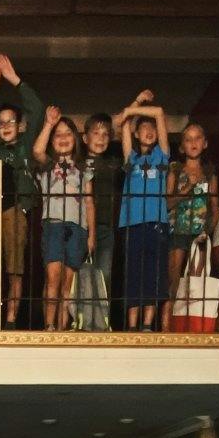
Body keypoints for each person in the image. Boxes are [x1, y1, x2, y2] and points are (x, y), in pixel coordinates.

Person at [0, 53, 44, 329]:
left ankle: (12, 317)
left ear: (20, 125)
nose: (5, 127)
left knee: (15, 265)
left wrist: (14, 80)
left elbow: (37, 110)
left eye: (10, 122)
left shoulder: (25, 144)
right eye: (0, 122)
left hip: (17, 210)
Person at [31, 106, 94, 332]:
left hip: (77, 227)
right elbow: (37, 151)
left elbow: (89, 201)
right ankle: (49, 326)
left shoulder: (83, 168)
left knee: (68, 283)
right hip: (53, 225)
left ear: (76, 139)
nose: (64, 138)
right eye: (58, 135)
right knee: (53, 277)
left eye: (68, 134)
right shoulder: (47, 165)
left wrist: (91, 235)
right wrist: (49, 124)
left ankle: (63, 326)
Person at [118, 91, 171, 331]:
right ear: (136, 134)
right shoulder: (131, 159)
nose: (149, 131)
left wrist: (133, 110)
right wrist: (134, 105)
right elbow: (122, 124)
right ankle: (131, 325)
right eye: (144, 128)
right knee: (134, 276)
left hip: (156, 223)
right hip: (132, 223)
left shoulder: (162, 156)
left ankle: (148, 324)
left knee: (153, 275)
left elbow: (159, 113)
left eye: (152, 128)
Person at [164, 121, 219, 321]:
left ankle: (192, 323)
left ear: (205, 143)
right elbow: (168, 203)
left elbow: (215, 208)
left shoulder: (210, 174)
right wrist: (188, 188)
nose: (193, 143)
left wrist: (208, 232)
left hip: (199, 234)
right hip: (177, 229)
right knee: (174, 281)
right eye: (188, 140)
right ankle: (168, 324)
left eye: (198, 139)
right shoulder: (175, 171)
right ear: (182, 146)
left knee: (196, 283)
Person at [78, 112, 123, 330]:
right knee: (84, 276)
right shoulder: (78, 164)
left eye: (106, 134)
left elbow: (123, 127)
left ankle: (102, 322)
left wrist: (135, 105)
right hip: (82, 227)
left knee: (104, 275)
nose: (101, 138)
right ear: (85, 138)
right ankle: (84, 321)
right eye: (96, 133)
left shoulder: (113, 164)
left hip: (106, 227)